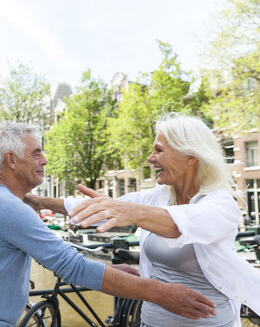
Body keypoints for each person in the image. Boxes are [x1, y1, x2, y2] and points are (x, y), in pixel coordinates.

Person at [0, 121, 217, 327]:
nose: (45, 160)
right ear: (11, 160)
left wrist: (109, 269)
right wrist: (161, 293)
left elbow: (62, 254)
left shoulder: (0, 201)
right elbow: (73, 266)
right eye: (36, 153)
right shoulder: (7, 207)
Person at [26, 113, 260, 327]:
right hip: (150, 322)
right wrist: (35, 201)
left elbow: (182, 225)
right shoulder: (156, 197)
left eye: (159, 150)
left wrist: (131, 212)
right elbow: (92, 207)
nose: (151, 158)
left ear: (189, 156)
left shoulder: (221, 203)